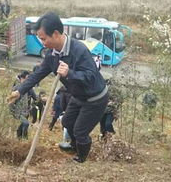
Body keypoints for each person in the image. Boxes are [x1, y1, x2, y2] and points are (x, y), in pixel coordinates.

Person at [7, 12, 109, 163]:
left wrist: (70, 73)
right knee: (67, 122)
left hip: (94, 98)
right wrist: (19, 91)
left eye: (43, 38)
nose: (41, 42)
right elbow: (37, 75)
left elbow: (90, 76)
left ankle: (81, 158)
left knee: (80, 131)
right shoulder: (52, 55)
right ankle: (75, 146)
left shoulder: (79, 50)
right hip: (78, 95)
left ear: (55, 34)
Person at [10, 71, 34, 139]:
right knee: (26, 123)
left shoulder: (29, 88)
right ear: (22, 78)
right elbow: (10, 101)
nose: (28, 80)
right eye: (27, 78)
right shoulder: (16, 88)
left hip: (26, 110)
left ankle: (19, 138)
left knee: (22, 125)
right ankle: (25, 139)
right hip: (18, 111)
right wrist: (13, 111)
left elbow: (35, 97)